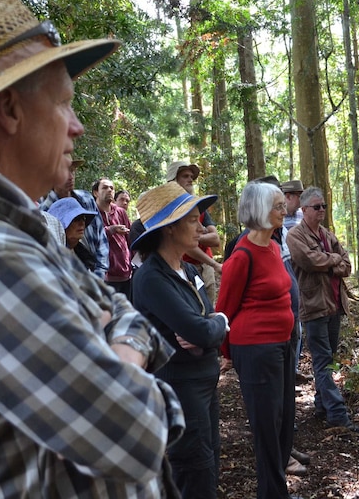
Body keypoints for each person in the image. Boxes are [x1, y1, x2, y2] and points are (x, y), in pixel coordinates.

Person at [0, 0, 185, 498]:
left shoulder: (4, 233)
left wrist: (114, 349)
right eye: (65, 103)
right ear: (9, 109)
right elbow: (137, 433)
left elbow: (125, 314)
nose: (78, 125)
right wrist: (123, 351)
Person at [131, 182, 230, 498]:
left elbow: (211, 318)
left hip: (205, 384)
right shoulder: (150, 278)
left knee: (209, 463)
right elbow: (200, 329)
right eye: (192, 219)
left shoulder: (188, 269)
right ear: (170, 229)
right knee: (193, 472)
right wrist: (210, 329)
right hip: (180, 392)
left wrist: (216, 324)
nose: (201, 226)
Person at [217, 182, 298, 499]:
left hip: (283, 344)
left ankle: (276, 490)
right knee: (267, 427)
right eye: (278, 205)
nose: (284, 210)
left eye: (282, 205)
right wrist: (226, 354)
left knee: (284, 422)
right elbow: (224, 310)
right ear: (261, 211)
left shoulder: (275, 247)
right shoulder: (241, 255)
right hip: (255, 350)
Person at [287, 187, 359, 432]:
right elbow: (308, 261)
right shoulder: (295, 235)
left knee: (328, 360)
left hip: (335, 304)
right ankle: (338, 415)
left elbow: (347, 264)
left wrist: (329, 261)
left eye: (324, 206)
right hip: (313, 305)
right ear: (304, 209)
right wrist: (332, 260)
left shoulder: (327, 235)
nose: (321, 211)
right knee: (322, 362)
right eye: (316, 207)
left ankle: (321, 406)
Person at [41, 159, 109, 278]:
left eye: (72, 171)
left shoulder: (87, 199)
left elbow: (101, 238)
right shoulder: (44, 212)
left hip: (91, 271)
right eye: (64, 171)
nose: (70, 176)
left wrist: (99, 276)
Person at [167, 160, 222, 302]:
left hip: (206, 266)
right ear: (173, 181)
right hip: (183, 266)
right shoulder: (169, 210)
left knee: (209, 306)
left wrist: (192, 236)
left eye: (191, 176)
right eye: (185, 176)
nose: (190, 179)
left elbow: (215, 239)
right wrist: (214, 264)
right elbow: (187, 247)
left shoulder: (199, 206)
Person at [94, 177, 133, 298]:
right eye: (105, 187)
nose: (110, 190)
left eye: (112, 188)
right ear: (96, 192)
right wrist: (111, 230)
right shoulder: (92, 213)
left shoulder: (120, 212)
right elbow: (91, 236)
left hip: (127, 274)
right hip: (105, 276)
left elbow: (129, 237)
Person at [45, 196, 100, 271]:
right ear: (60, 226)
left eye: (83, 218)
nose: (82, 223)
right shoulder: (51, 257)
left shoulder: (84, 255)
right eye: (76, 219)